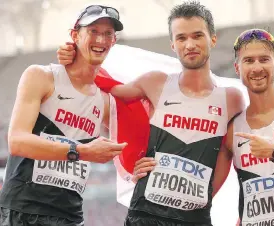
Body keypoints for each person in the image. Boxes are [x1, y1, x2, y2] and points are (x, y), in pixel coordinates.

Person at [57, 1, 245, 225]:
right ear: (173, 45)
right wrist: (76, 58)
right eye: (181, 38)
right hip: (145, 214)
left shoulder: (232, 99)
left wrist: (201, 199)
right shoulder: (156, 83)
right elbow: (106, 89)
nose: (190, 44)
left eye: (197, 35)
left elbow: (230, 154)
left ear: (212, 39)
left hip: (195, 218)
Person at [133, 29, 274, 226]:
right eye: (248, 61)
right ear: (238, 68)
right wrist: (147, 176)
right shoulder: (232, 130)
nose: (257, 68)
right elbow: (201, 190)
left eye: (264, 59)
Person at [0, 5, 127, 226]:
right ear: (75, 35)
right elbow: (17, 141)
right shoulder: (41, 76)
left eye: (108, 34)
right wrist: (81, 151)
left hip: (70, 215)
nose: (101, 39)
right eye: (93, 31)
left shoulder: (106, 101)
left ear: (114, 41)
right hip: (23, 210)